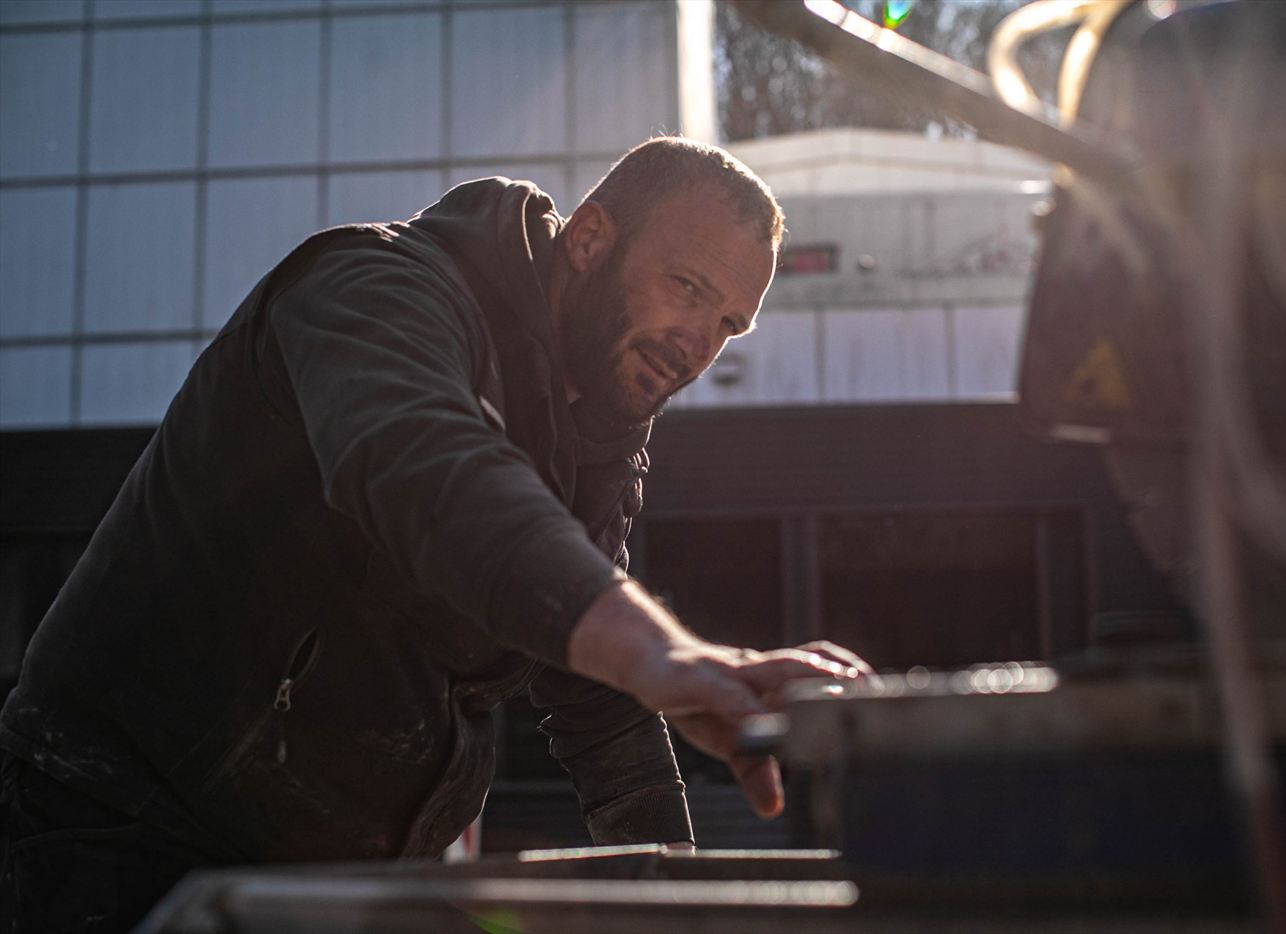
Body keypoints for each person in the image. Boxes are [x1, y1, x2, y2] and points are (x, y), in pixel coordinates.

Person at [0, 137, 870, 931]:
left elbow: (598, 698)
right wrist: (661, 654)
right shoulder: (372, 290)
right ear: (591, 238)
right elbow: (435, 478)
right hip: (113, 836)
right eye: (687, 288)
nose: (696, 346)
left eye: (727, 323)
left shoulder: (598, 427)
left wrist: (680, 898)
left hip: (334, 879)